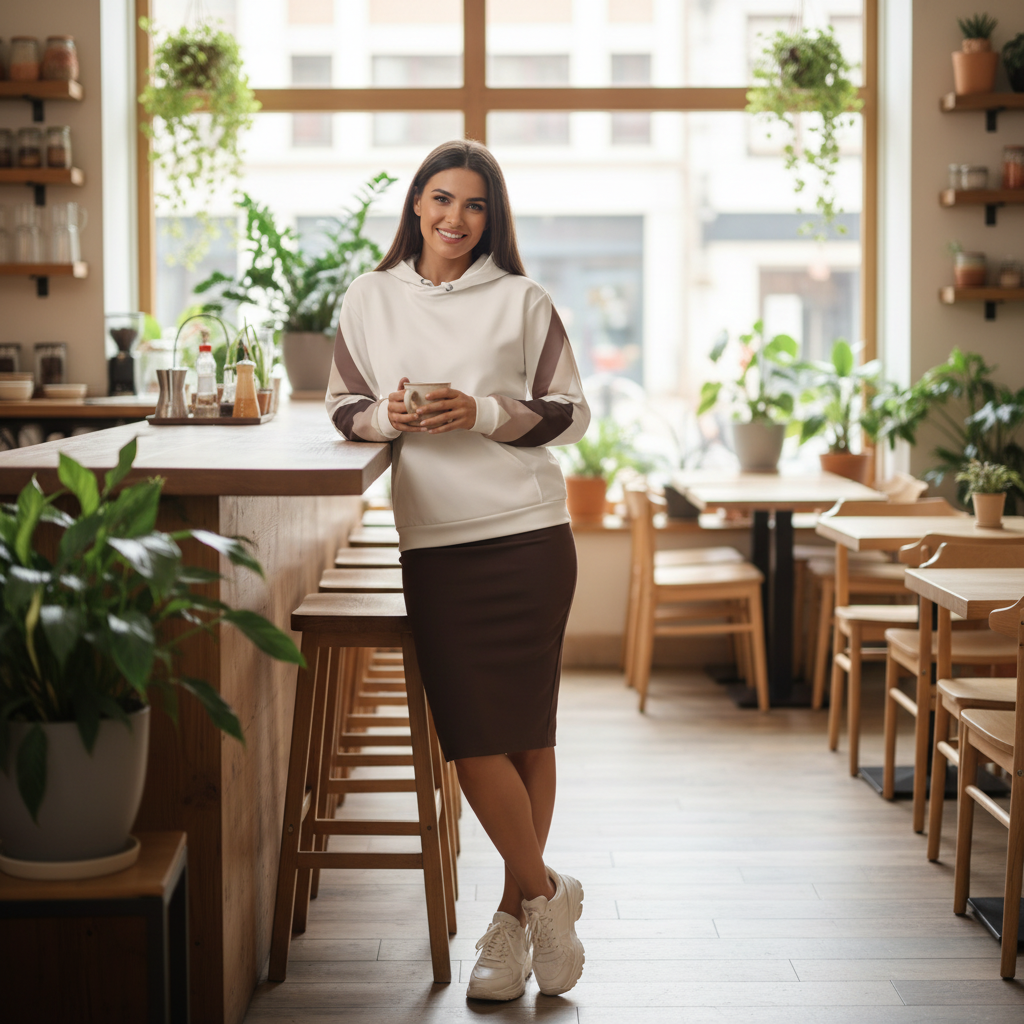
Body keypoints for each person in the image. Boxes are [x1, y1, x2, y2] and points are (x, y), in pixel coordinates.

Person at [325, 139, 591, 1001]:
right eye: (441, 199)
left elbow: (571, 414)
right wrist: (386, 417)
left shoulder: (523, 299)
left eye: (474, 205)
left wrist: (479, 410)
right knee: (471, 738)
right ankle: (549, 894)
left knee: (527, 734)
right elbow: (341, 405)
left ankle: (511, 930)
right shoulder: (368, 297)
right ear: (414, 205)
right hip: (436, 542)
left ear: (492, 218)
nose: (454, 218)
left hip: (528, 533)